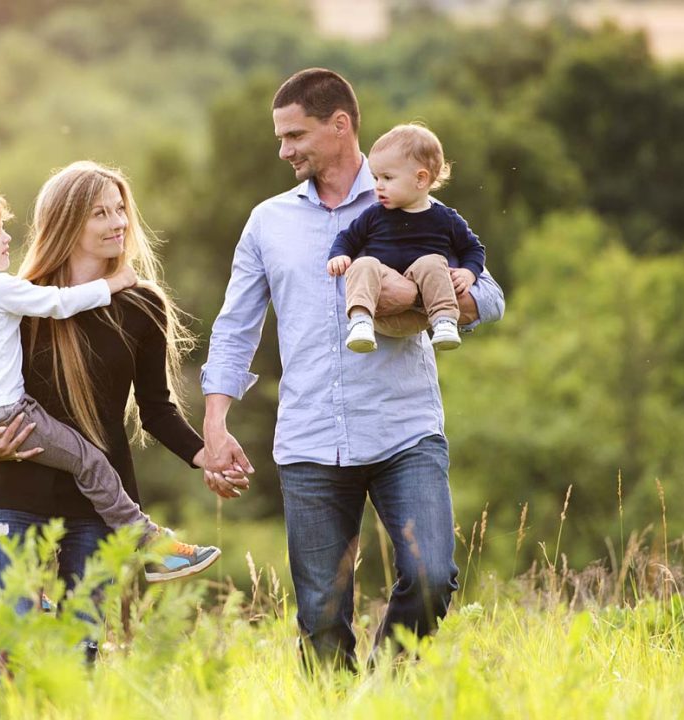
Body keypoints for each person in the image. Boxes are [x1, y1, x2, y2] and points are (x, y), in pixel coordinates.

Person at [200, 68, 506, 671]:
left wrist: (421, 299)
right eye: (280, 138)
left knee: (430, 577)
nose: (284, 149)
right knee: (320, 615)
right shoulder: (268, 222)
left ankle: (382, 694)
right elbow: (236, 326)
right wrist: (216, 423)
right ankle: (338, 707)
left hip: (404, 430)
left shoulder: (420, 206)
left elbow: (490, 298)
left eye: (295, 135)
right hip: (310, 439)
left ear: (340, 126)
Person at [0, 163, 219, 612]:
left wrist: (205, 455)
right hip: (20, 492)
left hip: (99, 506)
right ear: (67, 222)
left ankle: (149, 545)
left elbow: (156, 409)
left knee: (82, 646)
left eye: (119, 210)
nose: (117, 223)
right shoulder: (22, 298)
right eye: (99, 213)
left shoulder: (142, 305)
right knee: (16, 640)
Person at [326, 123, 486, 353]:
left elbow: (473, 248)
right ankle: (360, 321)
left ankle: (445, 322)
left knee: (432, 262)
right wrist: (339, 255)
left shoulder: (446, 218)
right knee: (364, 264)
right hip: (381, 309)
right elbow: (348, 238)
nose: (378, 186)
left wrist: (468, 272)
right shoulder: (374, 214)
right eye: (375, 177)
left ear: (420, 179)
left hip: (423, 316)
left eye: (387, 178)